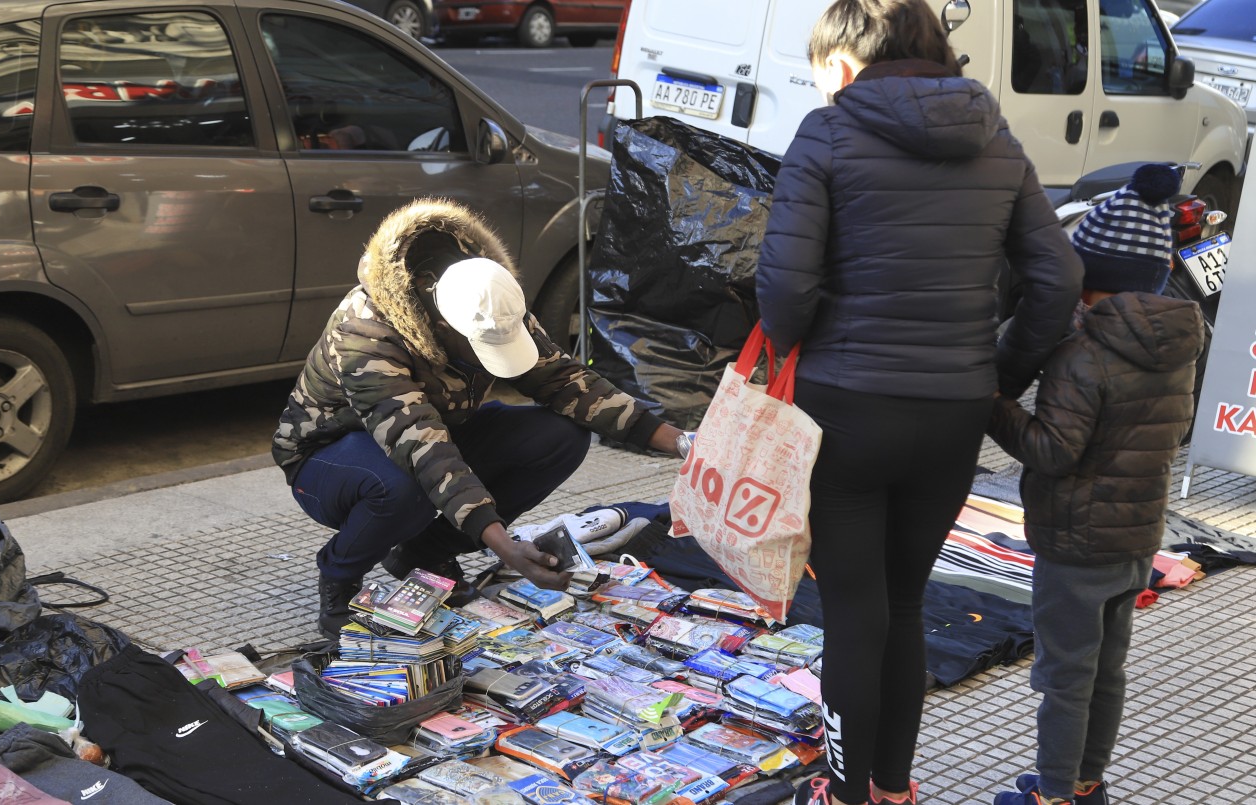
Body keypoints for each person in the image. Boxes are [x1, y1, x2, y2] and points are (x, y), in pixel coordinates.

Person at [754, 1, 1083, 803]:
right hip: (952, 412)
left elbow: (785, 294)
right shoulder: (996, 137)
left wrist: (806, 331)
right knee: (905, 600)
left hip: (845, 409)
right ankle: (894, 788)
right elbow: (1059, 279)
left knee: (855, 608)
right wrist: (997, 371)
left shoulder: (824, 134)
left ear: (843, 62)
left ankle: (844, 793)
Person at [272, 198, 682, 639]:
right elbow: (421, 446)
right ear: (435, 315)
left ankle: (425, 553)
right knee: (406, 485)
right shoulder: (365, 332)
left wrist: (683, 444)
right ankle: (339, 578)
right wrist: (506, 548)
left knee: (559, 436)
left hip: (434, 435)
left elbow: (565, 381)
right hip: (328, 460)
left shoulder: (491, 295)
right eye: (480, 347)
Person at [989, 164, 1204, 805]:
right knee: (1106, 670)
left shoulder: (1082, 354)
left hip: (1076, 541)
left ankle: (1051, 794)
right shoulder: (1180, 343)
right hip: (1137, 536)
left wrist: (992, 403)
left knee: (1064, 674)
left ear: (1089, 277)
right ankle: (1085, 783)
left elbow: (1054, 451)